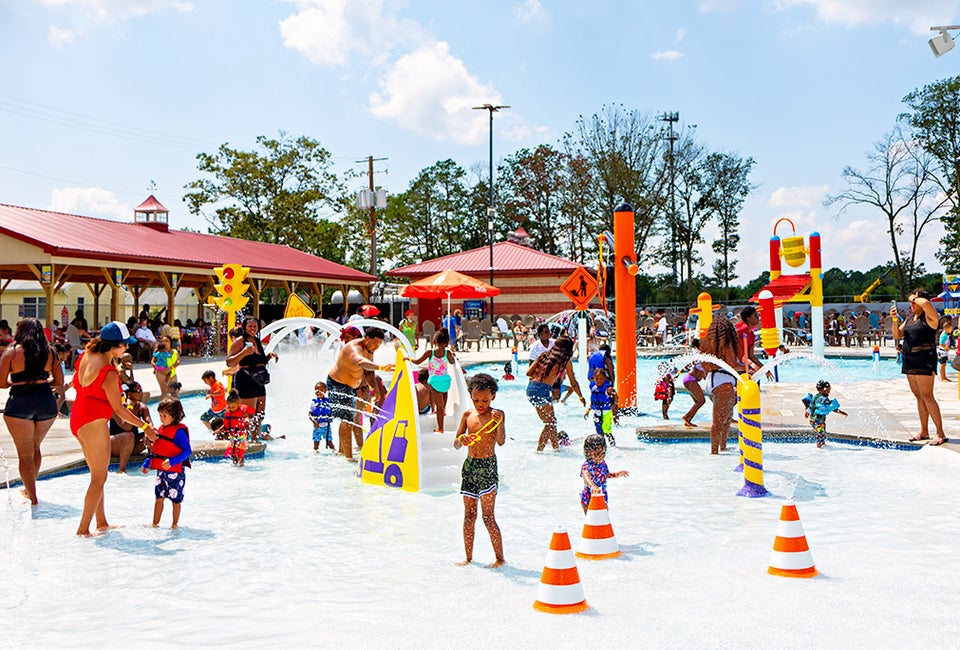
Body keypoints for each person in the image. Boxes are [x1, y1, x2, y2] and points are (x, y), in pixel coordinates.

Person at [70, 321, 156, 536]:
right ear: (113, 345)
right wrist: (145, 426)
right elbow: (119, 410)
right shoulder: (108, 372)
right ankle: (82, 530)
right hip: (93, 421)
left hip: (79, 418)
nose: (127, 349)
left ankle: (101, 522)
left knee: (97, 475)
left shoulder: (86, 356)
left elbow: (77, 384)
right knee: (99, 478)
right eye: (124, 345)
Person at [0, 317, 65, 505]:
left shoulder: (12, 352)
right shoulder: (50, 352)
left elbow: (2, 382)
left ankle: (33, 497)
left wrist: (18, 381)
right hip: (45, 401)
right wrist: (43, 382)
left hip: (20, 401)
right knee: (35, 447)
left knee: (25, 454)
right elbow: (59, 382)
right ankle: (30, 489)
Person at [453, 373, 506, 567]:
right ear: (471, 396)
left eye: (485, 399)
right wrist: (461, 439)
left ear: (493, 396)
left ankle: (500, 559)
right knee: (469, 515)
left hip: (487, 466)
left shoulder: (497, 415)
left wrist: (499, 423)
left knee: (487, 517)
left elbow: (500, 442)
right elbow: (456, 444)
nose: (480, 403)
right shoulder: (468, 415)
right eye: (476, 399)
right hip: (470, 466)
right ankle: (468, 558)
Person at [326, 328, 394, 460]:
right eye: (374, 343)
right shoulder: (353, 347)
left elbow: (368, 372)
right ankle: (349, 457)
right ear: (367, 338)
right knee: (347, 420)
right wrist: (380, 367)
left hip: (352, 386)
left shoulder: (370, 350)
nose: (376, 347)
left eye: (379, 345)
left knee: (351, 419)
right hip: (337, 383)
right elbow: (361, 362)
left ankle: (342, 451)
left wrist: (375, 388)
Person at [892, 290, 947, 445]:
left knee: (927, 396)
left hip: (924, 359)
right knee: (918, 396)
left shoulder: (930, 317)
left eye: (914, 301)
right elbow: (897, 335)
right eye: (911, 302)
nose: (912, 304)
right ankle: (924, 430)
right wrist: (895, 319)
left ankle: (940, 432)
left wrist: (915, 297)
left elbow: (927, 304)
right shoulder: (910, 318)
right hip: (909, 359)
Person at [526, 337, 585, 452]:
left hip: (531, 388)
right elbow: (574, 383)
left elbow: (528, 373)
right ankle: (539, 451)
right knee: (550, 423)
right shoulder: (565, 362)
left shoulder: (544, 355)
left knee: (552, 421)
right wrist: (581, 397)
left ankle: (556, 449)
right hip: (542, 390)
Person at [141, 398, 191, 528]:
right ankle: (155, 523)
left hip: (175, 473)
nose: (161, 419)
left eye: (164, 416)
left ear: (174, 416)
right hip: (161, 472)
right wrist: (147, 463)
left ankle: (174, 524)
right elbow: (156, 450)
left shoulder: (179, 433)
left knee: (175, 500)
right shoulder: (161, 429)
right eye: (160, 415)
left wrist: (173, 461)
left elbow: (187, 451)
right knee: (159, 498)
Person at [700, 316, 745, 455]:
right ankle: (715, 451)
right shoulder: (726, 344)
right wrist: (746, 367)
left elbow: (704, 365)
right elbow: (732, 364)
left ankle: (720, 448)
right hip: (724, 381)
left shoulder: (707, 344)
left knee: (722, 419)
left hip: (712, 380)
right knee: (722, 420)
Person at [226, 316, 278, 430]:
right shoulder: (240, 341)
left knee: (260, 415)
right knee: (248, 415)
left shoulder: (257, 340)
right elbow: (229, 362)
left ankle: (255, 439)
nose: (253, 328)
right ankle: (244, 442)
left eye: (255, 326)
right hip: (246, 380)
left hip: (259, 381)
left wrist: (269, 356)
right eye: (250, 326)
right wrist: (243, 353)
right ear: (244, 327)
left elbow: (259, 361)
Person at [411, 328, 456, 432]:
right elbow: (452, 362)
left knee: (438, 407)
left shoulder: (430, 353)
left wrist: (408, 358)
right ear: (446, 343)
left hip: (435, 381)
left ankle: (440, 427)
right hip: (446, 381)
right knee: (444, 393)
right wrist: (452, 356)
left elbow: (417, 362)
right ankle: (443, 410)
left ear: (434, 341)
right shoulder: (447, 353)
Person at [579, 434, 629, 515]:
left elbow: (605, 475)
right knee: (591, 519)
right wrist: (592, 485)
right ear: (588, 453)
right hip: (589, 497)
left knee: (603, 517)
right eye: (596, 454)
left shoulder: (602, 463)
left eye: (603, 453)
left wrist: (616, 474)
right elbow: (586, 477)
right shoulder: (587, 465)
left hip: (602, 495)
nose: (600, 457)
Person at [108, 382, 152, 473]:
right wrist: (130, 408)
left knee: (152, 434)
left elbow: (150, 424)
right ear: (129, 394)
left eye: (142, 391)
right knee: (129, 436)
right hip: (114, 445)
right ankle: (122, 469)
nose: (141, 393)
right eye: (138, 391)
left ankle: (151, 463)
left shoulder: (142, 408)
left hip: (131, 446)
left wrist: (148, 433)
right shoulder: (117, 408)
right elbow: (127, 427)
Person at [801, 380, 848, 448]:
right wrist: (842, 413)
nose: (829, 391)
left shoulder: (816, 396)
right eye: (829, 389)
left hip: (812, 420)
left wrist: (807, 412)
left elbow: (812, 406)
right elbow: (832, 408)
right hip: (819, 421)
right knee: (821, 435)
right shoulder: (825, 399)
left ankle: (821, 446)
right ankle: (820, 449)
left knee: (820, 434)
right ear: (824, 389)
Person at [586, 367, 618, 447]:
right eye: (597, 378)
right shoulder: (593, 389)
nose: (599, 380)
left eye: (601, 378)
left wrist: (614, 405)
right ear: (593, 378)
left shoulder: (608, 389)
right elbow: (592, 401)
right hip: (597, 412)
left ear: (604, 378)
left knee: (607, 430)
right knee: (599, 430)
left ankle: (613, 445)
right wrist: (588, 410)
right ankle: (602, 446)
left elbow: (615, 396)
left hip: (606, 412)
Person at [220, 390, 255, 465]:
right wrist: (218, 430)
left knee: (240, 450)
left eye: (233, 407)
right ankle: (235, 464)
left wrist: (247, 420)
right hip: (232, 433)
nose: (232, 409)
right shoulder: (228, 412)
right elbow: (226, 424)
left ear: (239, 404)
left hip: (241, 433)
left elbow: (246, 417)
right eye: (230, 407)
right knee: (233, 450)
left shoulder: (242, 410)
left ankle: (242, 464)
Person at [736, 306, 762, 375]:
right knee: (752, 374)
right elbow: (730, 337)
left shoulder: (752, 335)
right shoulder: (744, 328)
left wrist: (763, 368)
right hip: (733, 362)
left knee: (755, 373)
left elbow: (751, 355)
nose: (758, 318)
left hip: (739, 362)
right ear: (748, 319)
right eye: (755, 315)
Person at [680, 361, 706, 428]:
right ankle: (686, 417)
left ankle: (688, 420)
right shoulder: (703, 360)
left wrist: (679, 373)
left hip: (689, 379)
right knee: (701, 401)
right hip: (690, 380)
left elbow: (689, 365)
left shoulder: (703, 361)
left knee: (698, 402)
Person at [309, 381, 334, 452]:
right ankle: (315, 455)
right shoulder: (313, 403)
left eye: (321, 390)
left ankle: (334, 452)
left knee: (329, 442)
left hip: (327, 427)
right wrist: (314, 421)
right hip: (317, 427)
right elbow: (309, 414)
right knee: (316, 443)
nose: (319, 392)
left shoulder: (329, 402)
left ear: (325, 391)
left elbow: (333, 412)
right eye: (317, 390)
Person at [937, 316, 954, 382]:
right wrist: (946, 347)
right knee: (942, 365)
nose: (951, 331)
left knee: (944, 365)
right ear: (946, 329)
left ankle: (944, 377)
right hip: (942, 352)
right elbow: (941, 343)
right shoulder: (944, 335)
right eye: (950, 329)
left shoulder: (946, 334)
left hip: (944, 352)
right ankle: (942, 377)